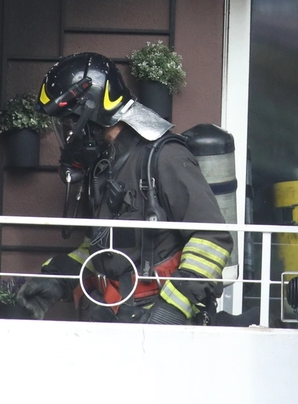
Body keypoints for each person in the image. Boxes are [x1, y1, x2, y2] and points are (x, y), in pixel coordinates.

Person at [16, 52, 233, 325]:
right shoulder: (106, 164)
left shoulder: (165, 157)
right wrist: (59, 277)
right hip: (115, 314)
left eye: (70, 120)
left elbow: (213, 240)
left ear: (93, 109)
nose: (68, 132)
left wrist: (172, 310)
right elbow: (106, 248)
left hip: (160, 321)